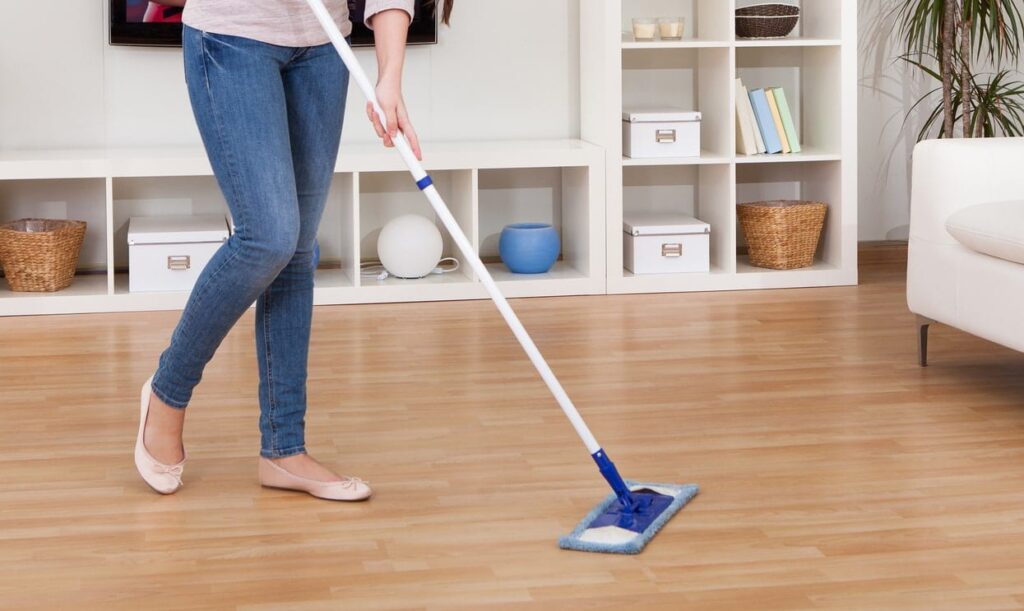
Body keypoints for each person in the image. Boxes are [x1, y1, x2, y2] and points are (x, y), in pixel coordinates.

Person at [133, 0, 454, 500]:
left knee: (298, 247)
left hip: (323, 50)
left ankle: (283, 449)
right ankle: (167, 392)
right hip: (231, 37)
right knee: (269, 236)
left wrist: (390, 77)